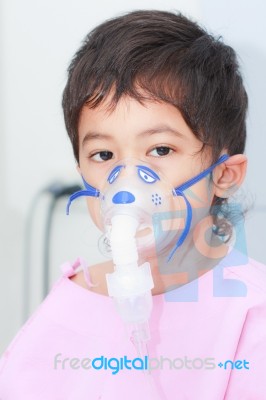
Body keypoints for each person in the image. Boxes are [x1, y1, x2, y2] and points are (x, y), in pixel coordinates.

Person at [0, 9, 265, 400]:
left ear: (223, 175)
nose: (126, 180)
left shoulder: (249, 313)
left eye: (160, 149)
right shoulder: (71, 301)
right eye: (104, 155)